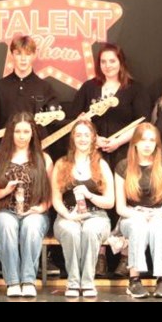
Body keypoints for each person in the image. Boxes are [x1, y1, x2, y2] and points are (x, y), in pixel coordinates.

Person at [0, 113, 53, 297]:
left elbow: (51, 194)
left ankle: (28, 280)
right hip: (5, 210)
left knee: (32, 227)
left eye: (26, 131)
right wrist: (5, 191)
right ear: (11, 133)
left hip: (35, 211)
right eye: (17, 131)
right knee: (7, 225)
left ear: (33, 133)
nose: (22, 136)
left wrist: (41, 208)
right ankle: (13, 282)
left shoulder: (44, 159)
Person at [51, 120, 115, 297]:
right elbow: (56, 200)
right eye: (78, 135)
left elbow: (110, 201)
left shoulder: (101, 165)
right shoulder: (61, 164)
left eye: (86, 135)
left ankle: (87, 282)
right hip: (67, 215)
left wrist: (90, 195)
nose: (82, 139)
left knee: (90, 230)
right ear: (72, 138)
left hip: (96, 216)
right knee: (71, 231)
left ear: (93, 138)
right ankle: (73, 282)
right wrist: (68, 215)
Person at [114, 122, 162, 299]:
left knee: (157, 227)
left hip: (160, 214)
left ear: (157, 143)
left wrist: (155, 215)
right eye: (143, 140)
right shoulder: (123, 167)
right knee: (138, 225)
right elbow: (121, 207)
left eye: (152, 140)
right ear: (135, 143)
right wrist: (140, 215)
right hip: (131, 214)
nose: (147, 144)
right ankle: (134, 280)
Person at [70, 43, 151, 166]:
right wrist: (94, 139)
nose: (108, 66)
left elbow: (142, 123)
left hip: (124, 153)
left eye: (112, 61)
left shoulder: (135, 89)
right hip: (92, 151)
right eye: (103, 62)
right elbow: (75, 119)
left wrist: (118, 142)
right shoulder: (89, 87)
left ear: (121, 62)